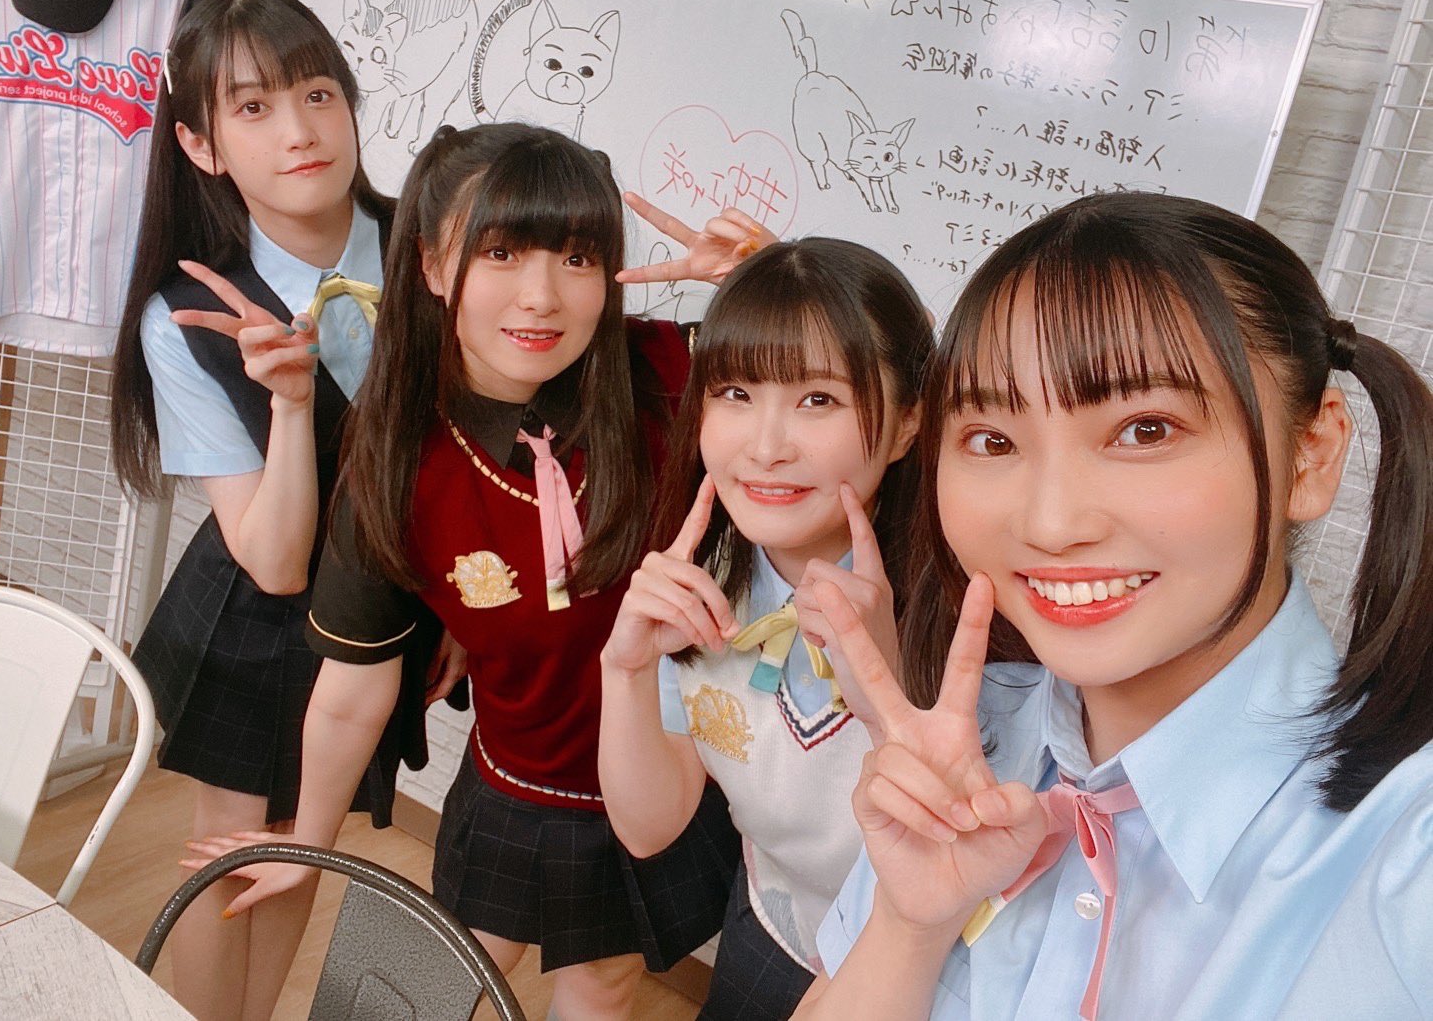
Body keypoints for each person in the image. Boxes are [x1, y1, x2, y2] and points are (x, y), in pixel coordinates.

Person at [793, 192, 1433, 1019]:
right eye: (992, 440)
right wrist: (909, 926)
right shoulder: (971, 736)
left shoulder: (1405, 857)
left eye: (1145, 430)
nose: (1050, 523)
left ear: (1310, 453)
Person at [184, 124, 763, 1020]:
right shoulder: (396, 453)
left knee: (603, 987)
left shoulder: (673, 373)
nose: (541, 295)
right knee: (397, 994)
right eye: (500, 252)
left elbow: (860, 403)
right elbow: (351, 689)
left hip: (662, 780)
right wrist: (306, 844)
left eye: (577, 257)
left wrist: (771, 288)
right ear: (430, 263)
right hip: (512, 777)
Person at [110, 0, 411, 1021]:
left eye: (317, 93)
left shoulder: (433, 244)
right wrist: (289, 404)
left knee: (302, 851)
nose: (299, 130)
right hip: (255, 609)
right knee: (234, 851)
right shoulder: (184, 315)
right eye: (253, 107)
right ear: (200, 145)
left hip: (376, 603)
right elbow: (274, 560)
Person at [598, 238, 932, 1020]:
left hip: (935, 960)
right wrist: (625, 671)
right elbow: (649, 828)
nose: (766, 446)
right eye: (734, 392)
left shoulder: (967, 606)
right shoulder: (704, 577)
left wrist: (889, 690)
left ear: (907, 423)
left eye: (818, 399)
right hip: (781, 928)